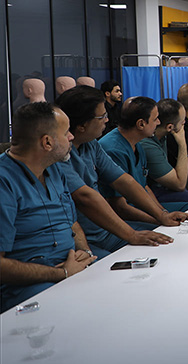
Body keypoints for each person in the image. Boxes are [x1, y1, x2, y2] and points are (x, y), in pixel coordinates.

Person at [0, 103, 98, 311]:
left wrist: (84, 251)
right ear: (47, 142)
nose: (71, 137)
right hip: (29, 286)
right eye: (66, 132)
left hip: (71, 268)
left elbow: (72, 223)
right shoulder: (4, 182)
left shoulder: (54, 170)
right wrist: (62, 273)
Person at [54, 87, 174, 256]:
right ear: (82, 126)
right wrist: (132, 235)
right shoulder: (59, 155)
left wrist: (162, 216)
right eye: (102, 116)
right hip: (85, 240)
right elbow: (85, 197)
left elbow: (124, 180)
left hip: (105, 231)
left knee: (167, 242)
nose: (107, 119)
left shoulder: (91, 144)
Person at [98, 97, 188, 226]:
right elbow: (120, 207)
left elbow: (144, 187)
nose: (159, 122)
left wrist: (163, 212)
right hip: (123, 217)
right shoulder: (113, 150)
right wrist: (160, 220)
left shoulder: (136, 143)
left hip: (140, 207)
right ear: (141, 124)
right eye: (155, 119)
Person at [140, 98, 188, 211]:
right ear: (170, 127)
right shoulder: (148, 146)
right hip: (152, 192)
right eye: (182, 122)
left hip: (163, 187)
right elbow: (180, 184)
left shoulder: (163, 136)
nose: (184, 124)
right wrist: (182, 143)